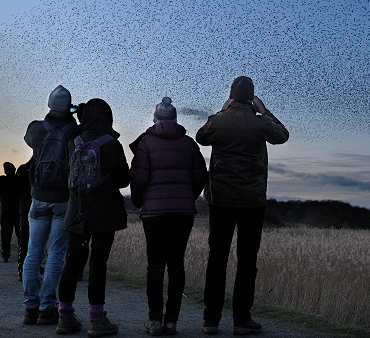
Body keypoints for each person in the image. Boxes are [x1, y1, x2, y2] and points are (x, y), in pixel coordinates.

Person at [196, 76, 289, 335]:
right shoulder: (260, 123)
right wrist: (264, 110)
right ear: (252, 98)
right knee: (247, 261)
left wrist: (223, 111)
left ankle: (210, 320)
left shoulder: (218, 121)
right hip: (252, 201)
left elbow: (201, 137)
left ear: (231, 95)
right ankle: (241, 320)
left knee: (217, 259)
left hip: (221, 200)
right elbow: (283, 136)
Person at [129, 97, 207, 336]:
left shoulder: (146, 143)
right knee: (176, 264)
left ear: (155, 119)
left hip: (153, 212)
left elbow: (139, 178)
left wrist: (140, 201)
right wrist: (188, 197)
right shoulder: (189, 144)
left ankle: (154, 321)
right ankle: (171, 321)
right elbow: (200, 177)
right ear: (175, 119)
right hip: (183, 212)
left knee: (155, 264)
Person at [55, 98, 130, 336]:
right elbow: (123, 179)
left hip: (75, 211)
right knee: (98, 263)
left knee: (71, 263)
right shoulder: (111, 144)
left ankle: (64, 317)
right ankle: (97, 320)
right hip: (103, 213)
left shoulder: (72, 142)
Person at [22, 85, 81, 326]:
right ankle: (48, 307)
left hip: (38, 197)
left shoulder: (36, 128)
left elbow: (28, 141)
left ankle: (30, 308)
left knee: (33, 252)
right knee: (56, 253)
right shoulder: (75, 131)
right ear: (69, 106)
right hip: (63, 199)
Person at [0, 162, 22, 263]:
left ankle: (5, 255)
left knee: (5, 234)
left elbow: (0, 194)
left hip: (6, 211)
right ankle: (22, 254)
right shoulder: (19, 181)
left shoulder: (2, 181)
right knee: (21, 234)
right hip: (18, 211)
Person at [16, 159, 32, 282]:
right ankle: (30, 267)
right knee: (35, 240)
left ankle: (21, 268)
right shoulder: (42, 166)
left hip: (24, 205)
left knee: (24, 239)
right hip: (35, 203)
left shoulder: (22, 170)